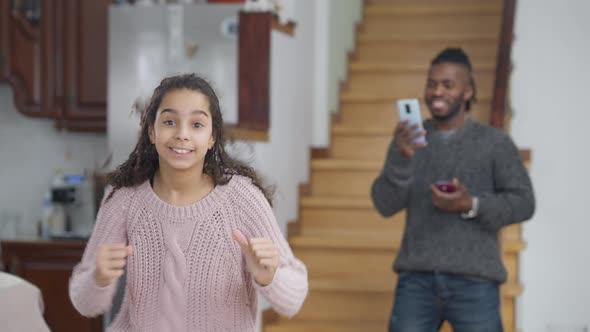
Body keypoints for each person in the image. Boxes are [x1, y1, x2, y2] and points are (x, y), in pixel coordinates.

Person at [69, 73, 308, 331]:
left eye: (196, 125)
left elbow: (293, 299)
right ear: (152, 131)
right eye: (170, 121)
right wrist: (98, 278)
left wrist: (269, 277)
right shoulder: (124, 197)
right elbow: (84, 304)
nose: (182, 134)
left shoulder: (242, 198)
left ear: (212, 137)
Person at [371, 48, 535, 331]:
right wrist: (401, 158)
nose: (437, 92)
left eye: (448, 85)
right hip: (416, 279)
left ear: (468, 91)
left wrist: (471, 204)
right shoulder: (409, 140)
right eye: (432, 83)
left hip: (475, 280)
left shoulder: (494, 142)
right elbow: (385, 204)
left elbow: (524, 203)